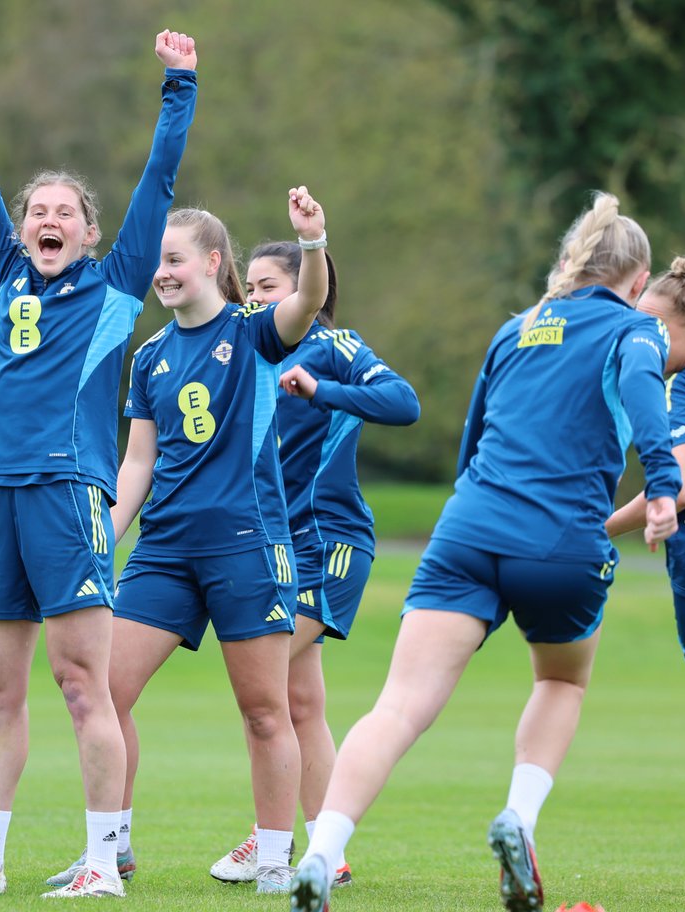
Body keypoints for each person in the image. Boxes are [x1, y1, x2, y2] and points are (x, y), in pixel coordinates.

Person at [288, 191, 680, 912]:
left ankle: (320, 853)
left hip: (468, 527)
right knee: (561, 682)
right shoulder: (638, 330)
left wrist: (472, 510)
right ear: (636, 282)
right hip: (561, 538)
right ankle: (518, 819)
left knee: (399, 705)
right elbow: (639, 387)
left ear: (570, 262)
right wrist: (661, 481)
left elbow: (474, 437)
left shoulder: (517, 327)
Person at [0, 26, 198, 898]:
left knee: (83, 687)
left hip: (68, 492)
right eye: (37, 211)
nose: (46, 221)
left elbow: (160, 180)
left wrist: (178, 84)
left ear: (90, 231)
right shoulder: (5, 273)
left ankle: (103, 862)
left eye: (63, 213)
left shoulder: (114, 288)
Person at [45, 194, 328, 894]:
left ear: (210, 262)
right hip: (164, 550)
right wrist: (102, 537)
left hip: (245, 545)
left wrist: (313, 242)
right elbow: (138, 463)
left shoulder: (256, 332)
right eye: (156, 264)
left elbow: (308, 302)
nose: (161, 274)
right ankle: (111, 852)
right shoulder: (149, 357)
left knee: (265, 709)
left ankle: (272, 862)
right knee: (104, 691)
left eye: (173, 261)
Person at [208, 242, 420, 888]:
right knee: (298, 702)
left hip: (328, 544)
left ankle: (267, 835)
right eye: (250, 286)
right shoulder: (248, 351)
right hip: (276, 546)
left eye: (268, 285)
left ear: (312, 289)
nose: (254, 297)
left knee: (264, 688)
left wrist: (322, 390)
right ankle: (331, 850)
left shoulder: (333, 345)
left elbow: (404, 402)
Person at [605, 256, 685, 661]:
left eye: (653, 327)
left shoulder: (681, 384)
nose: (639, 338)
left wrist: (598, 532)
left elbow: (683, 484)